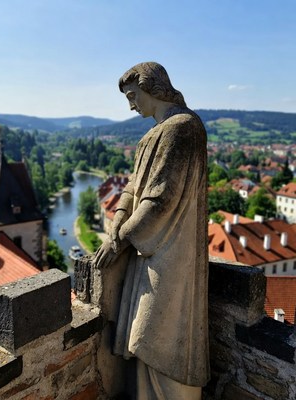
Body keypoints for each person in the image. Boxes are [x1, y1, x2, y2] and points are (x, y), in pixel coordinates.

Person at [94, 62, 210, 400]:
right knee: (147, 341)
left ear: (152, 88)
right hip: (151, 254)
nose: (130, 104)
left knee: (163, 337)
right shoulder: (157, 132)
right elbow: (134, 187)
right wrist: (117, 219)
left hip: (170, 255)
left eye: (133, 95)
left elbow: (158, 201)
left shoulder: (182, 128)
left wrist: (119, 241)